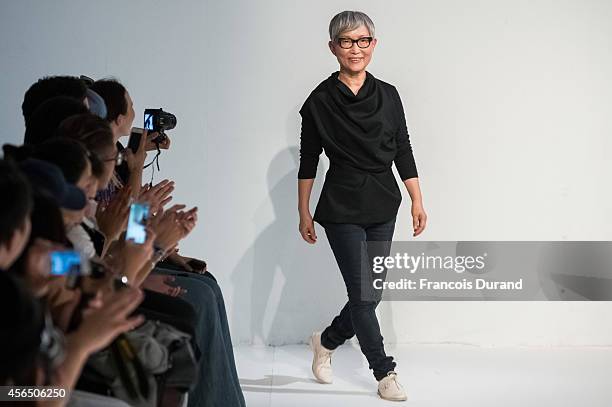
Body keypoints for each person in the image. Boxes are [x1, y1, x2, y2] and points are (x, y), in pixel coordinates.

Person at [297, 10, 428, 402]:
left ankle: (327, 340)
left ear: (374, 43)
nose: (356, 49)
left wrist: (416, 199)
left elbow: (402, 147)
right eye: (347, 42)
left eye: (363, 41)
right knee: (363, 293)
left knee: (370, 294)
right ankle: (384, 372)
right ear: (333, 47)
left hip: (383, 203)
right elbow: (308, 158)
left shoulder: (388, 94)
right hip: (341, 205)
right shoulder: (319, 100)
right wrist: (303, 210)